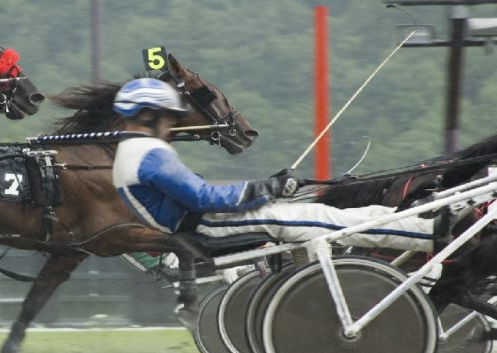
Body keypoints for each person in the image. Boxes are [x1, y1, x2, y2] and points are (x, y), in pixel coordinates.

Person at [110, 78, 460, 325]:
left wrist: (268, 188)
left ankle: (416, 219)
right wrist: (268, 188)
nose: (173, 123)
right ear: (146, 115)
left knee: (337, 214)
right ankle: (430, 232)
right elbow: (202, 197)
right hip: (213, 225)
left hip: (209, 223)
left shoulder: (129, 153)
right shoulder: (150, 153)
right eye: (169, 116)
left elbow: (198, 195)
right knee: (329, 221)